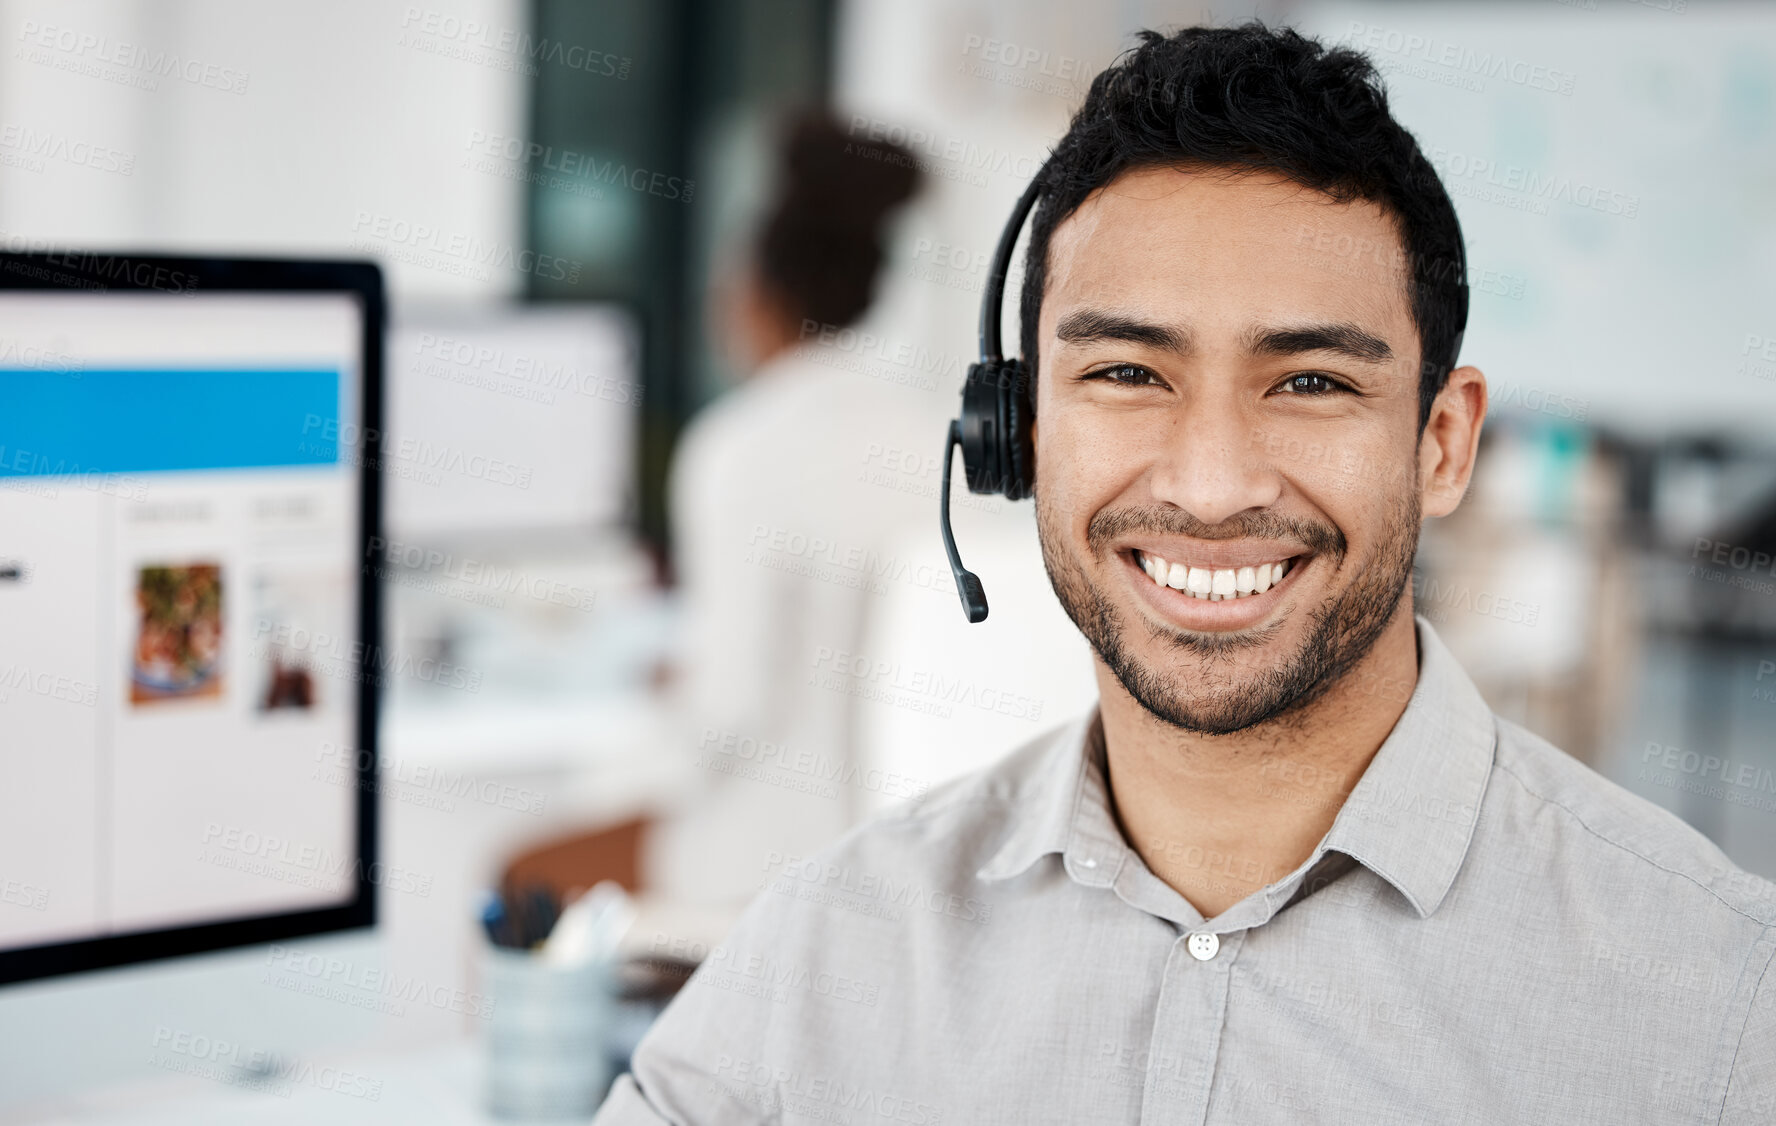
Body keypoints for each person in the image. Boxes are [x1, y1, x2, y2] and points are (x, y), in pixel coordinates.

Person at [601, 24, 1776, 1123]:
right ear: (1016, 435)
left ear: (1443, 444)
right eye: (1126, 372)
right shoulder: (823, 957)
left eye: (1312, 381)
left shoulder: (1718, 1004)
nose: (1212, 488)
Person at [648, 114, 934, 912]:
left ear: (758, 293)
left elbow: (729, 704)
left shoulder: (738, 447)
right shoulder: (933, 441)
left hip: (757, 876)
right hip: (905, 869)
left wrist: (670, 690)